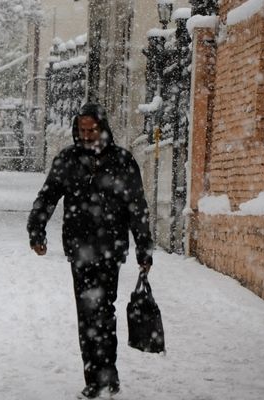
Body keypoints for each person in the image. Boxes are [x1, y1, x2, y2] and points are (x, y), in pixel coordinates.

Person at [26, 103, 153, 399]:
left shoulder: (122, 161)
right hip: (79, 249)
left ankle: (109, 374)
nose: (86, 136)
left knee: (104, 311)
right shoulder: (68, 160)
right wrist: (36, 230)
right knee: (87, 314)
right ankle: (94, 378)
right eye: (82, 131)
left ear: (103, 128)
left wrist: (144, 249)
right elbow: (47, 197)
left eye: (92, 130)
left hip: (111, 249)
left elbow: (138, 207)